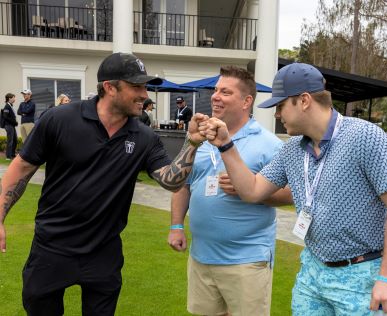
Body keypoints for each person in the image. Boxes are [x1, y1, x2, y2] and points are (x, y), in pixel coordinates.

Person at [0, 52, 208, 316]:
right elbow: (21, 169)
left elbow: (170, 181)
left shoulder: (144, 137)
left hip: (103, 253)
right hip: (51, 249)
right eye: (137, 86)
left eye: (145, 86)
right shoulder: (59, 119)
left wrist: (192, 143)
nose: (145, 94)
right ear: (110, 87)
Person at [202, 63, 387, 315]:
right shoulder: (292, 149)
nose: (278, 115)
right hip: (312, 270)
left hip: (360, 274)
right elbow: (252, 191)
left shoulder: (365, 136)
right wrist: (226, 145)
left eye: (281, 106)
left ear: (303, 101)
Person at [168, 66, 293, 316]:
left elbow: (291, 193)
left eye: (225, 92)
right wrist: (176, 225)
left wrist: (251, 189)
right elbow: (183, 183)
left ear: (247, 101)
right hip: (201, 256)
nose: (215, 96)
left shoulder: (269, 144)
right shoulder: (200, 138)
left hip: (247, 259)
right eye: (215, 90)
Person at [3, 93, 18, 160]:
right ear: (9, 98)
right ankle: (8, 156)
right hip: (9, 126)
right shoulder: (7, 106)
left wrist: (14, 122)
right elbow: (5, 116)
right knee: (10, 140)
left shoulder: (10, 106)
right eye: (13, 97)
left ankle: (12, 154)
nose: (14, 99)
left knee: (15, 140)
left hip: (12, 125)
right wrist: (14, 122)